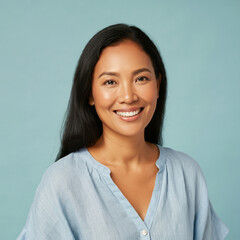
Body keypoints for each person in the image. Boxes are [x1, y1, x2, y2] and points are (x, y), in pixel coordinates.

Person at [17, 24, 229, 240]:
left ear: (158, 84)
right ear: (90, 93)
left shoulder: (186, 173)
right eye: (110, 82)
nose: (128, 96)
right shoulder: (62, 182)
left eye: (141, 79)